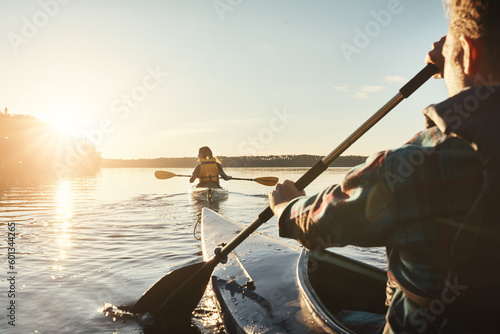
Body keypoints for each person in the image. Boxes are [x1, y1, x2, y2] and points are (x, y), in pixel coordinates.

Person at [269, 1, 500, 333]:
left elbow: (318, 223)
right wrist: (457, 57)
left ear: (468, 52)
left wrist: (286, 205)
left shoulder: (423, 162)